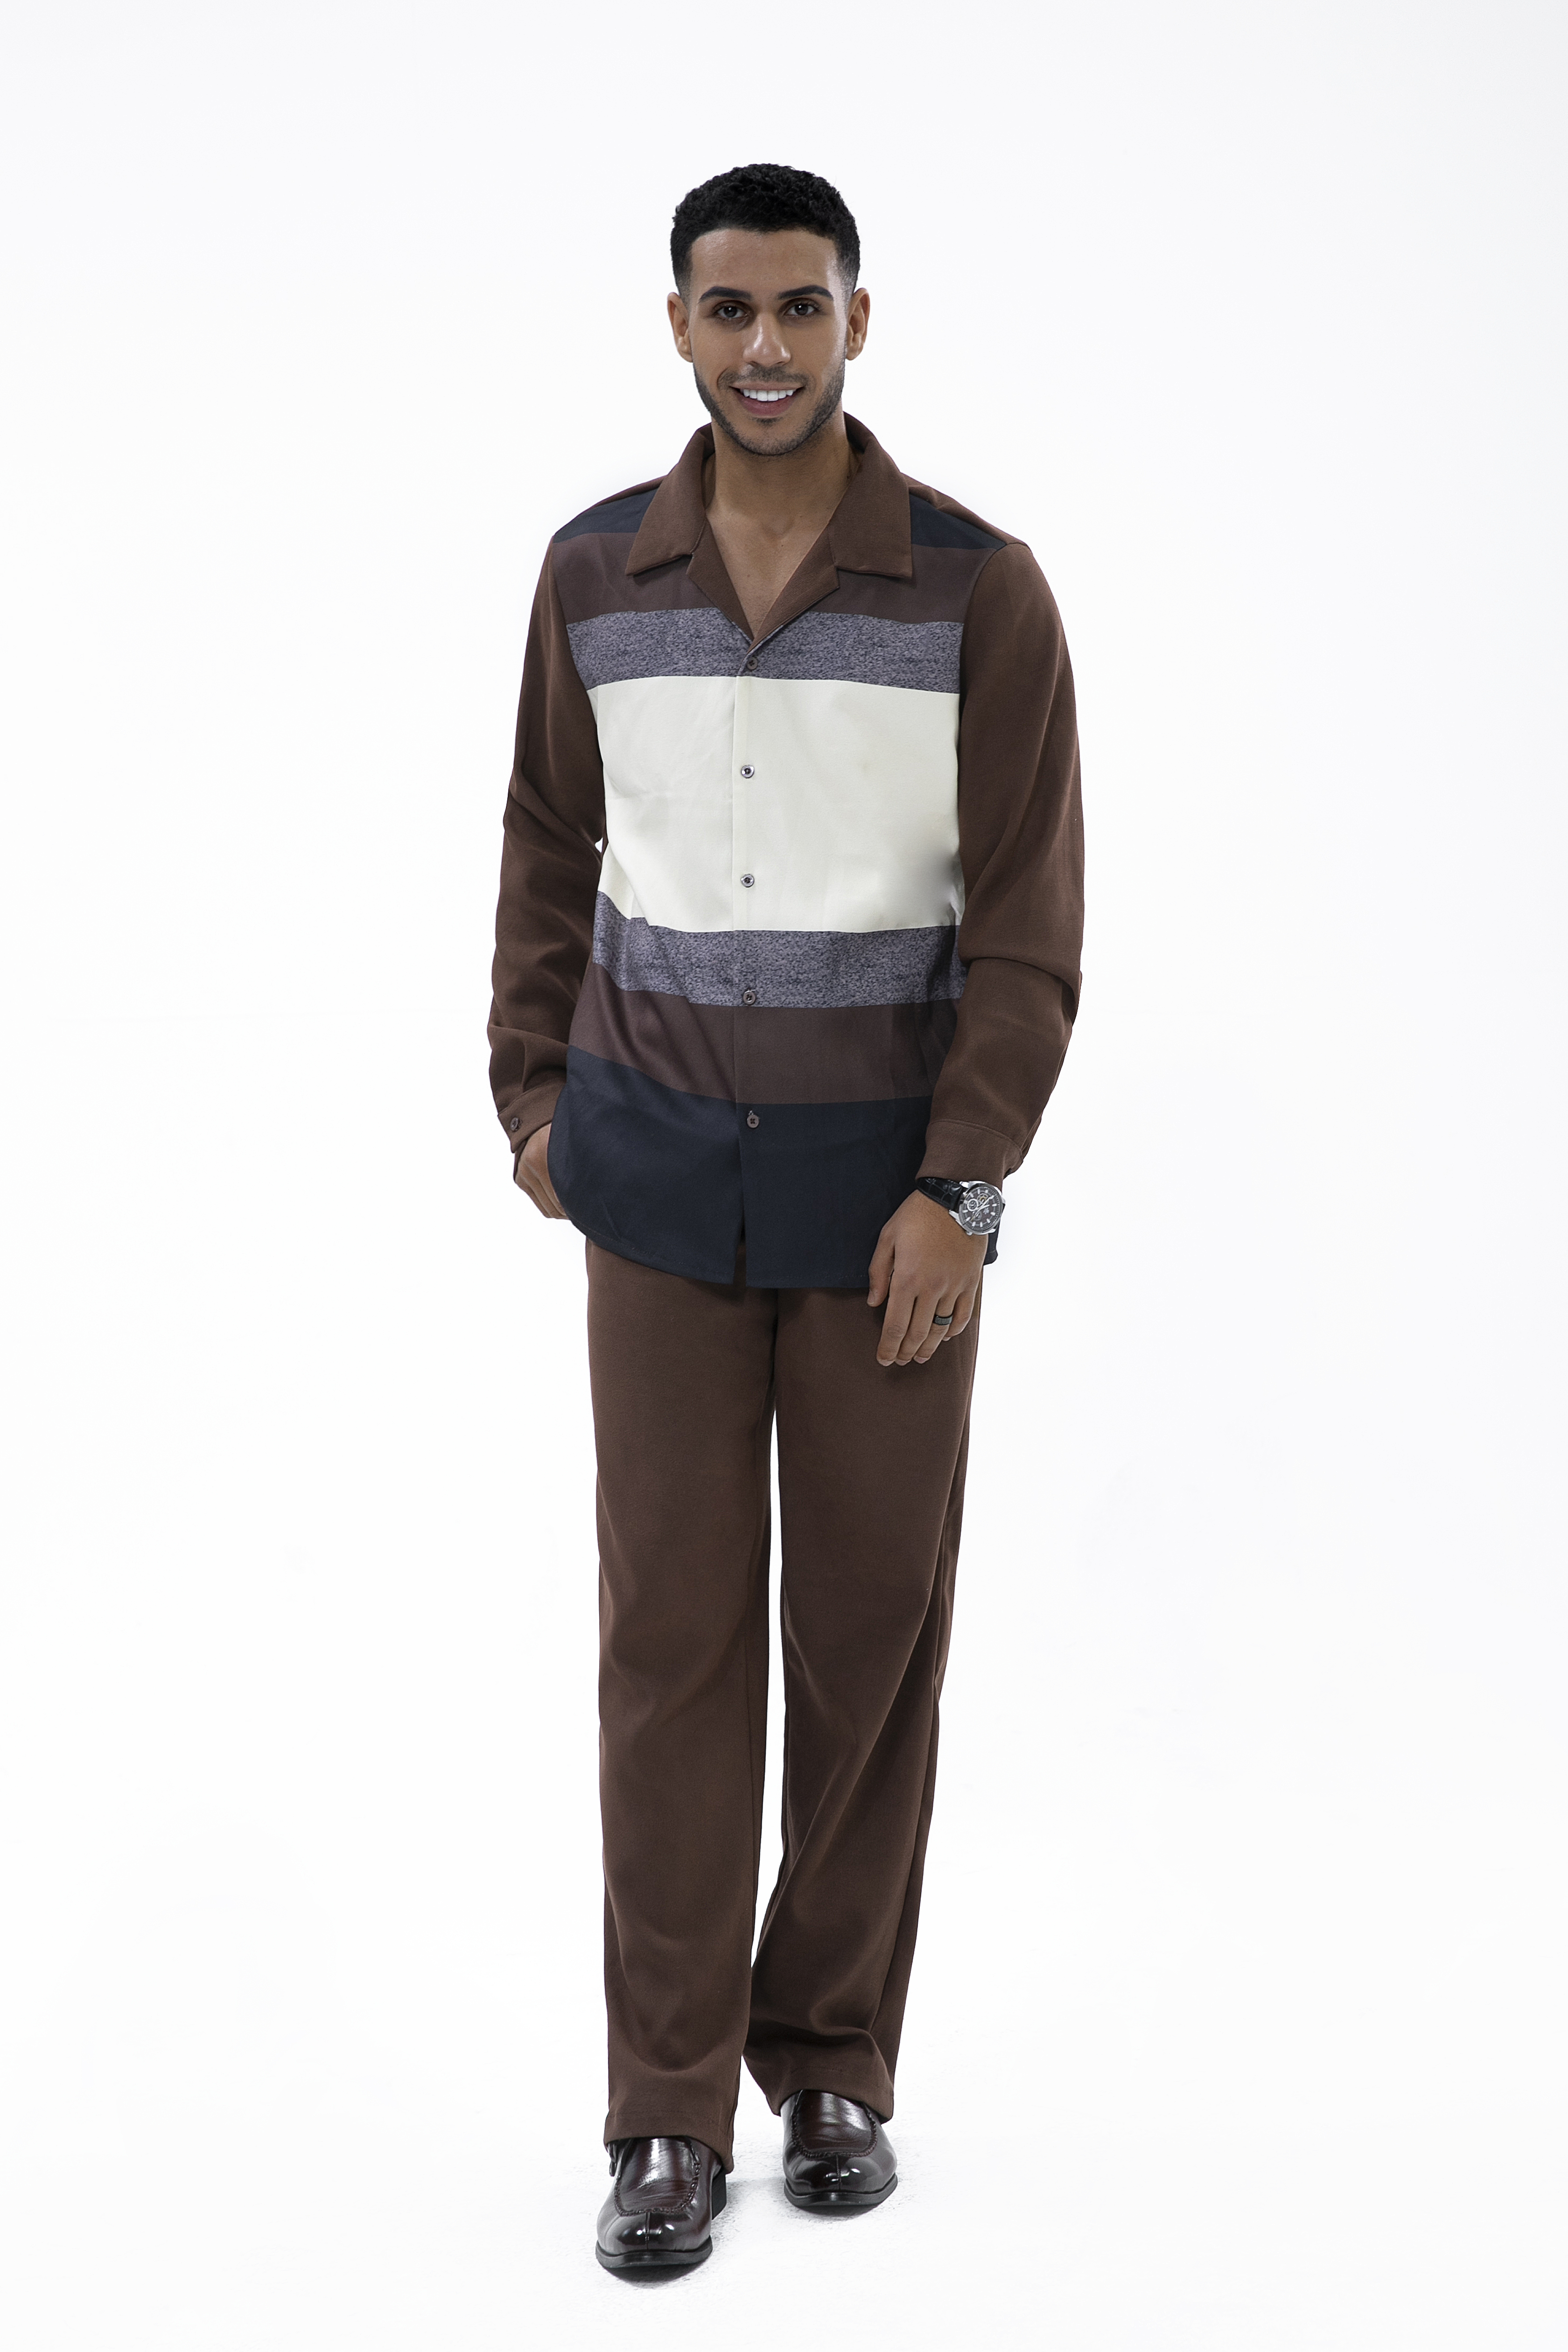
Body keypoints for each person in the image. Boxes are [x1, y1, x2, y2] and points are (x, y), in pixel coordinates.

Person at [488, 161, 1084, 2275]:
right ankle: (663, 2112)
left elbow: (1027, 926)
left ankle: (830, 2060)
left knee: (867, 1643)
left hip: (885, 1217)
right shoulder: (593, 575)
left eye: (800, 307)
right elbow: (546, 845)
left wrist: (963, 1185)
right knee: (667, 1648)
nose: (766, 346)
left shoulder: (977, 590)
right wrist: (536, 1105)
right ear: (678, 324)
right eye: (729, 309)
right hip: (650, 1188)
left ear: (858, 318)